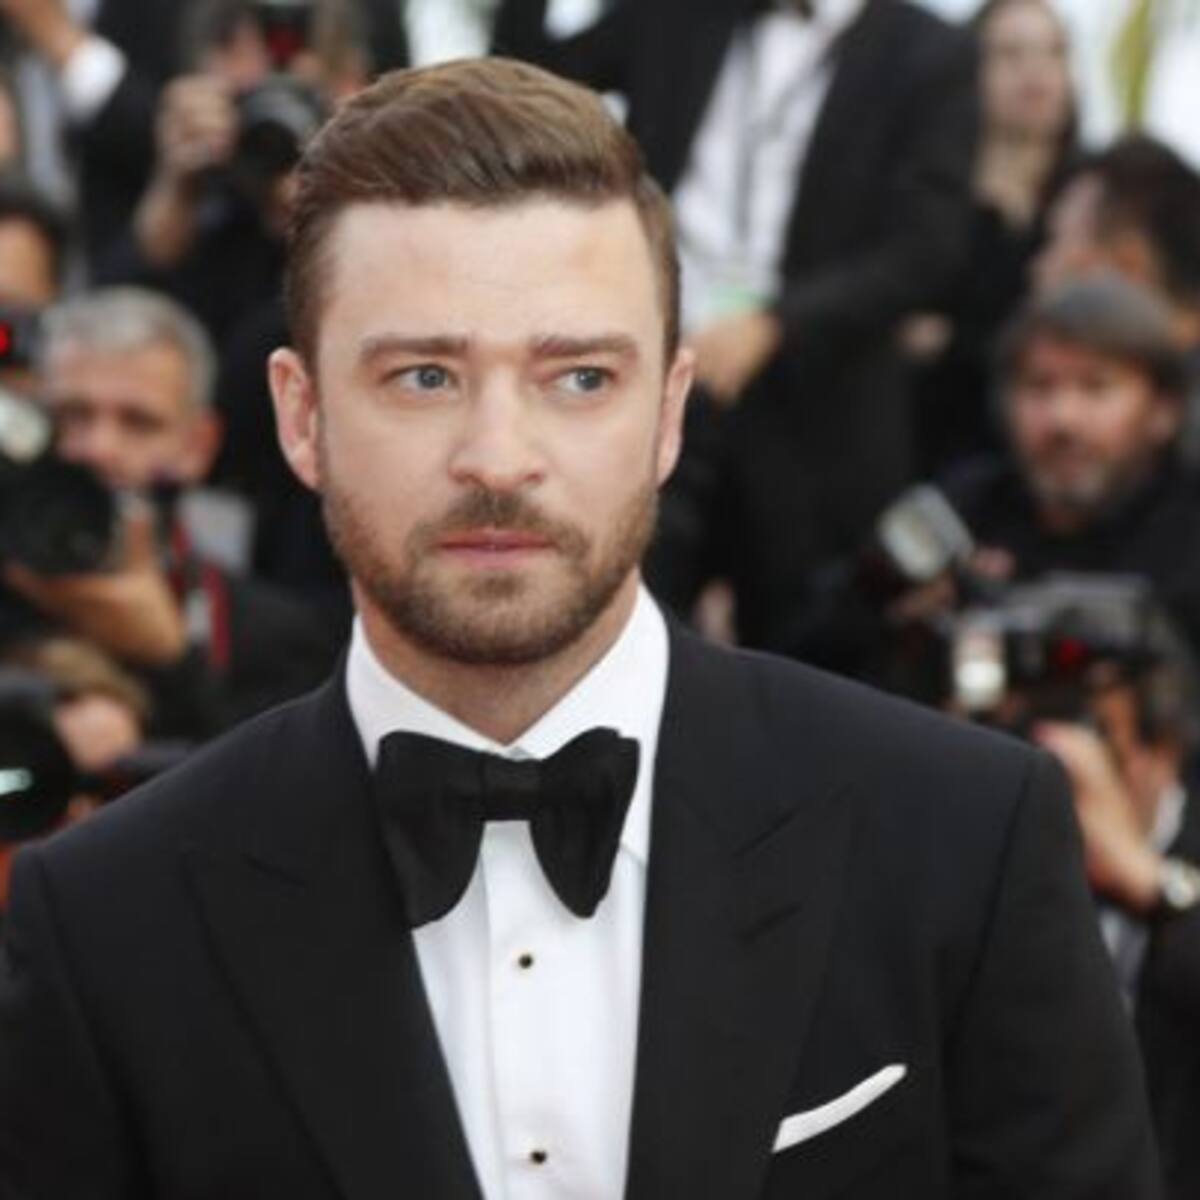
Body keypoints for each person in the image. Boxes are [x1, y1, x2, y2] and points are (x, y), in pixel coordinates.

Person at [0, 58, 1159, 1198]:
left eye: (580, 379)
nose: (500, 457)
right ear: (301, 418)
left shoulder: (962, 838)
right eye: (423, 377)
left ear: (669, 412)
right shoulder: (105, 918)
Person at [494, 0, 979, 647]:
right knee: (611, 633)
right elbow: (523, 87)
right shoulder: (678, 15)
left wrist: (775, 326)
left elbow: (925, 248)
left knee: (810, 657)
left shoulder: (929, 51)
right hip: (659, 384)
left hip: (817, 408)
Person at [0, 285, 339, 738]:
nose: (98, 448)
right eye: (72, 415)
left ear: (198, 446)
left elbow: (280, 777)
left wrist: (171, 658)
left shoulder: (275, 638)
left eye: (139, 422)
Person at [905, 0, 1078, 475]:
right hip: (931, 450)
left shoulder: (1091, 202)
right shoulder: (923, 203)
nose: (1034, 71)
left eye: (1053, 52)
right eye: (1010, 53)